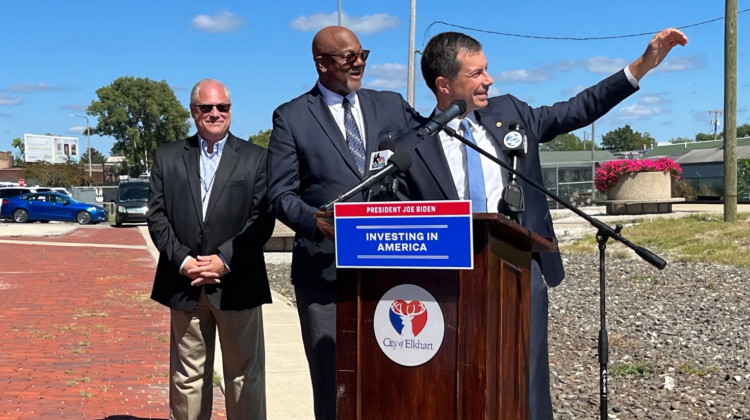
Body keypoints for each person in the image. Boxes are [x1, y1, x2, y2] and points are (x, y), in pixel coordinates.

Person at [395, 29, 688, 419]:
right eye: (477, 73)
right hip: (452, 279)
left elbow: (576, 109)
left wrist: (640, 67)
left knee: (528, 375)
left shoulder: (510, 113)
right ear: (444, 84)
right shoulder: (414, 145)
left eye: (487, 70)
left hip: (521, 268)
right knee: (460, 373)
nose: (489, 80)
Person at [266, 26, 421, 420]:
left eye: (362, 54)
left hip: (390, 271)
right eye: (348, 57)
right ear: (321, 63)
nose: (359, 63)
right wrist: (315, 221)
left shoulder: (392, 105)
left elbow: (423, 164)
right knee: (334, 384)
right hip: (325, 274)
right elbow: (279, 193)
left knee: (390, 378)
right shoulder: (292, 117)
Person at [147, 79, 275, 420]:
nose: (216, 113)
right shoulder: (167, 157)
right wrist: (184, 261)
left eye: (223, 107)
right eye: (207, 108)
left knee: (245, 376)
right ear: (193, 112)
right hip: (184, 284)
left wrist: (225, 260)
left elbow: (262, 221)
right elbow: (157, 217)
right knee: (188, 379)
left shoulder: (257, 158)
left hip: (238, 283)